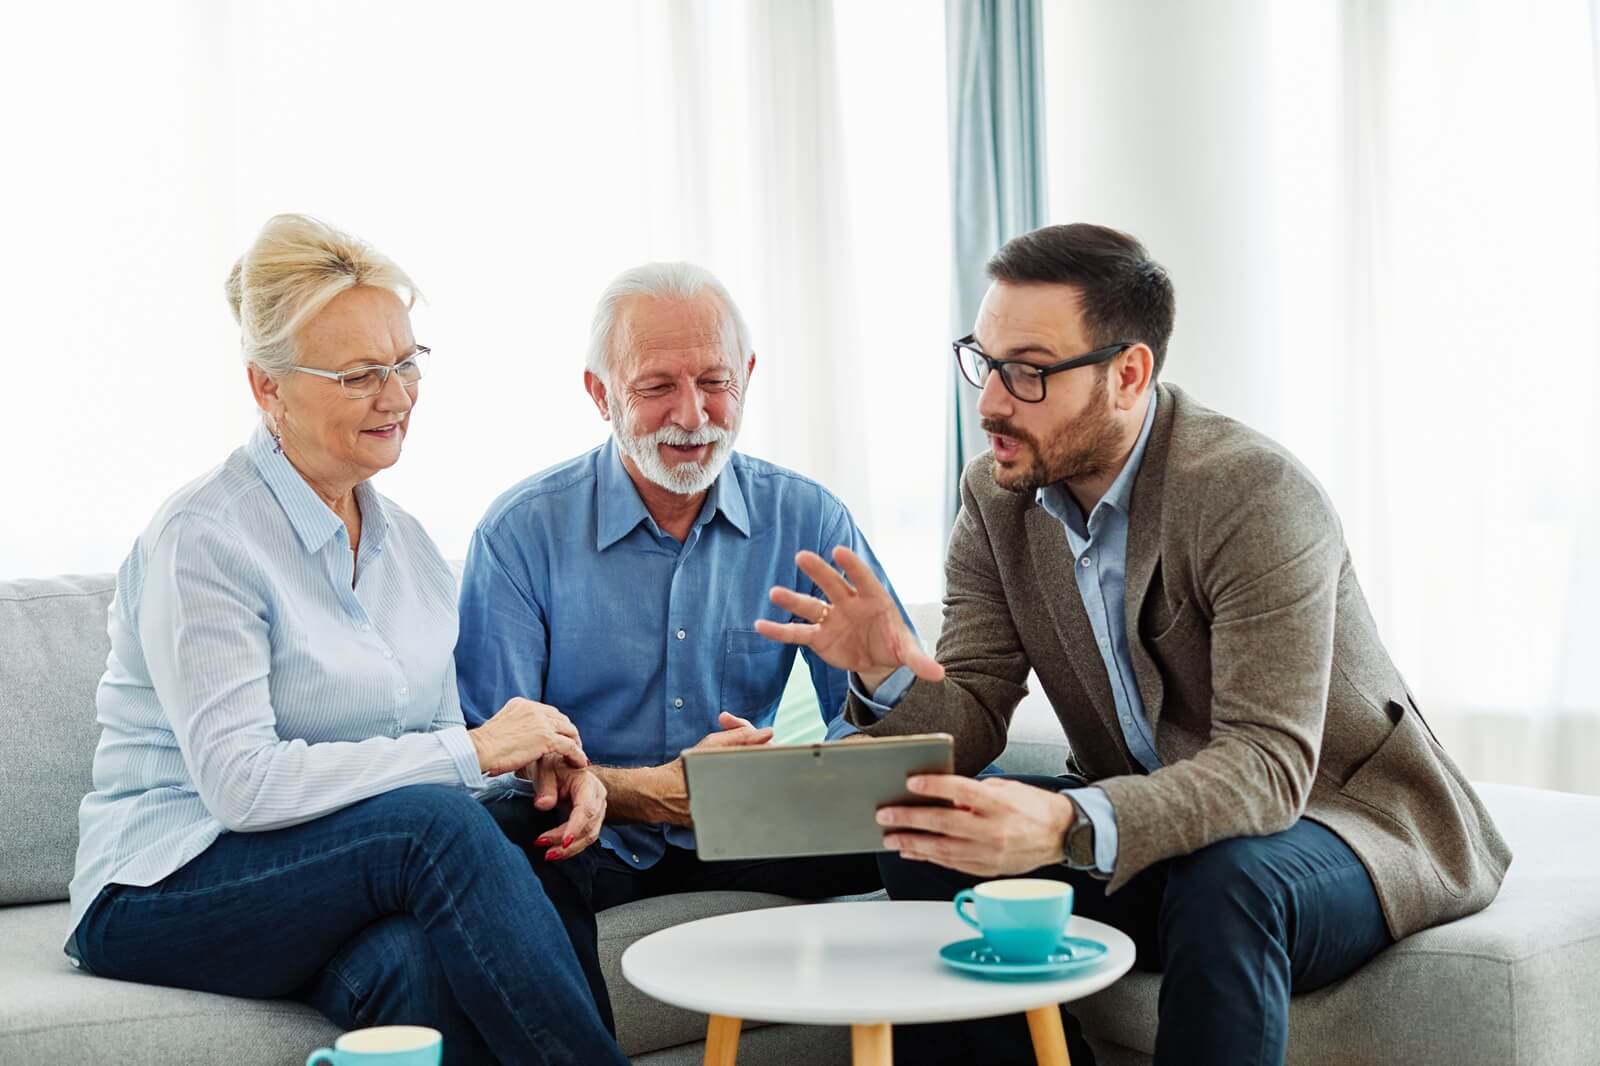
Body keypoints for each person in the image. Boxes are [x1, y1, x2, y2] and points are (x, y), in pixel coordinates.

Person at [757, 223, 1512, 1066]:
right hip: (1163, 827)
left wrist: (1066, 821)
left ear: (1128, 374)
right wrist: (887, 673)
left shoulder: (1250, 493)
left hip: (1342, 821)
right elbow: (971, 711)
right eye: (984, 361)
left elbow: (1268, 768)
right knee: (928, 838)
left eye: (1029, 372)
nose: (991, 402)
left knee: (1230, 882)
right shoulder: (997, 500)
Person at [65, 214, 628, 1066]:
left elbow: (424, 755)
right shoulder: (205, 539)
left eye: (406, 363)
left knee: (489, 876)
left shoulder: (411, 551)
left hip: (324, 871)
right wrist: (476, 748)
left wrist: (537, 772)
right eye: (361, 374)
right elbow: (243, 787)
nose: (396, 397)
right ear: (268, 388)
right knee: (432, 825)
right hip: (163, 882)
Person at [455, 262, 905, 911]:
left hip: (755, 832)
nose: (693, 415)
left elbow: (883, 728)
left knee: (954, 810)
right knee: (501, 832)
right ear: (601, 394)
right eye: (657, 386)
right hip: (589, 838)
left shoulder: (808, 519)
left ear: (747, 375)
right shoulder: (520, 533)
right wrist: (655, 792)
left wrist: (806, 769)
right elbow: (493, 762)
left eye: (715, 382)